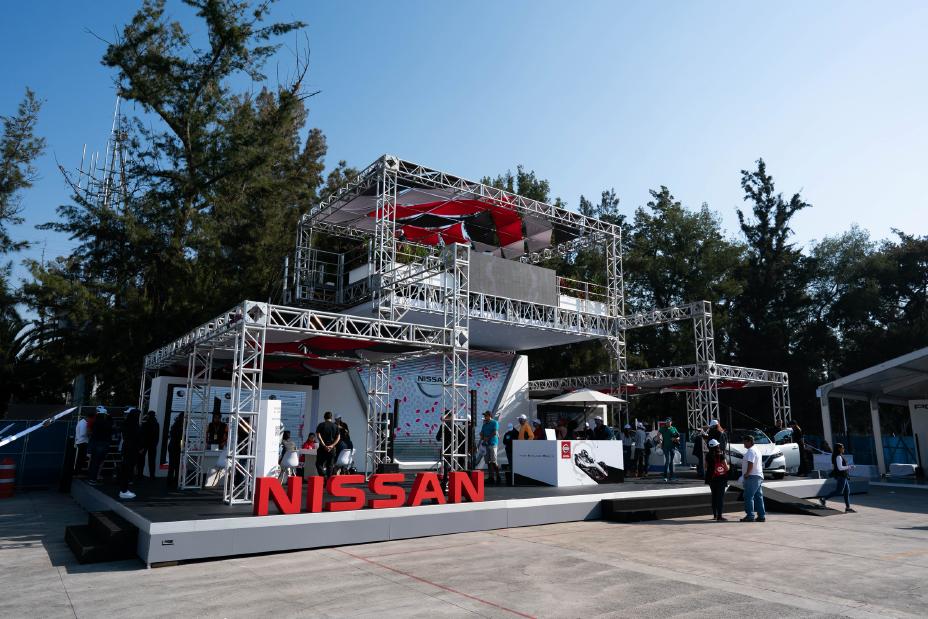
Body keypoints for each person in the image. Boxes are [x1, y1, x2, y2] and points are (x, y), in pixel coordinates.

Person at [819, 443, 856, 513]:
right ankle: (823, 499)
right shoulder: (838, 456)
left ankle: (848, 507)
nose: (844, 449)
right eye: (842, 447)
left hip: (843, 476)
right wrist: (850, 467)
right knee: (839, 491)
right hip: (841, 476)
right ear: (839, 449)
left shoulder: (838, 456)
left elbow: (835, 467)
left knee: (846, 491)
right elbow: (840, 468)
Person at [739, 433, 766, 522]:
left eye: (744, 442)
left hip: (752, 476)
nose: (743, 444)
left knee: (748, 496)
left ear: (749, 441)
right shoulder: (756, 450)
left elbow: (751, 463)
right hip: (758, 475)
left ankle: (750, 515)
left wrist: (747, 474)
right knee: (758, 496)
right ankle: (761, 515)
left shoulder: (751, 451)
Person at [117, 408, 140, 499]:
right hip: (130, 450)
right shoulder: (133, 425)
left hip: (127, 449)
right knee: (127, 470)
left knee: (126, 469)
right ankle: (124, 490)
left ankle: (124, 489)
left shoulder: (126, 424)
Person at [87, 406, 114, 485]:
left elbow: (92, 434)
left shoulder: (95, 422)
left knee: (94, 462)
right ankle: (96, 477)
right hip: (105, 444)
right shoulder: (109, 423)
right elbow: (111, 434)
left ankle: (92, 478)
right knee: (100, 462)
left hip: (96, 444)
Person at [705, 438, 730, 521]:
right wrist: (729, 466)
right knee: (720, 497)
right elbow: (726, 468)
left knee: (714, 496)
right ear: (717, 446)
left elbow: (705, 467)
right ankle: (720, 516)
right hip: (721, 478)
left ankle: (715, 515)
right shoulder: (721, 455)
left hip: (711, 478)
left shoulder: (708, 455)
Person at [315, 411, 341, 478]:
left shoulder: (321, 425)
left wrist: (324, 445)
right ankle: (328, 480)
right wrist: (332, 445)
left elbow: (318, 435)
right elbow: (338, 437)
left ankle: (323, 476)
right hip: (332, 449)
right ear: (331, 418)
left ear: (324, 417)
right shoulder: (335, 426)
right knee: (330, 465)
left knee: (319, 464)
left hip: (322, 448)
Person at [479, 411, 501, 485]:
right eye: (484, 416)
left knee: (493, 461)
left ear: (489, 416)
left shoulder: (495, 422)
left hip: (493, 444)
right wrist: (482, 436)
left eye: (486, 415)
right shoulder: (484, 425)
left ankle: (498, 476)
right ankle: (491, 477)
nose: (485, 417)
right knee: (488, 462)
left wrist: (487, 438)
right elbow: (482, 433)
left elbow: (494, 432)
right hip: (486, 445)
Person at [137, 410, 160, 480]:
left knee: (141, 460)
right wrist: (155, 443)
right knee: (152, 460)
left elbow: (142, 435)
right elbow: (157, 436)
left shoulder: (145, 423)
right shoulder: (156, 424)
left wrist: (141, 446)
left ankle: (140, 474)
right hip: (153, 444)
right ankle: (152, 475)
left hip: (145, 444)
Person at [73, 408, 95, 475]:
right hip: (82, 442)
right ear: (88, 417)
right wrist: (90, 433)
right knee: (81, 458)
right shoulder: (83, 423)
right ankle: (77, 471)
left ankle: (78, 471)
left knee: (81, 458)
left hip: (81, 442)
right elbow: (83, 434)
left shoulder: (82, 422)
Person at [659, 418, 680, 482]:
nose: (668, 423)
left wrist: (676, 439)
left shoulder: (674, 428)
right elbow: (658, 435)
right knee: (667, 460)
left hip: (672, 447)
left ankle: (671, 476)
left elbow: (678, 436)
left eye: (669, 422)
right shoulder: (663, 428)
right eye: (667, 422)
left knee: (671, 461)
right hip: (665, 447)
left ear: (671, 422)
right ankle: (665, 476)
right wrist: (660, 442)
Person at [167, 412, 184, 489]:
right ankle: (174, 480)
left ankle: (172, 480)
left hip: (173, 446)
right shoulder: (179, 426)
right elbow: (179, 437)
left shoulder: (176, 424)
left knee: (173, 465)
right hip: (175, 447)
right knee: (175, 465)